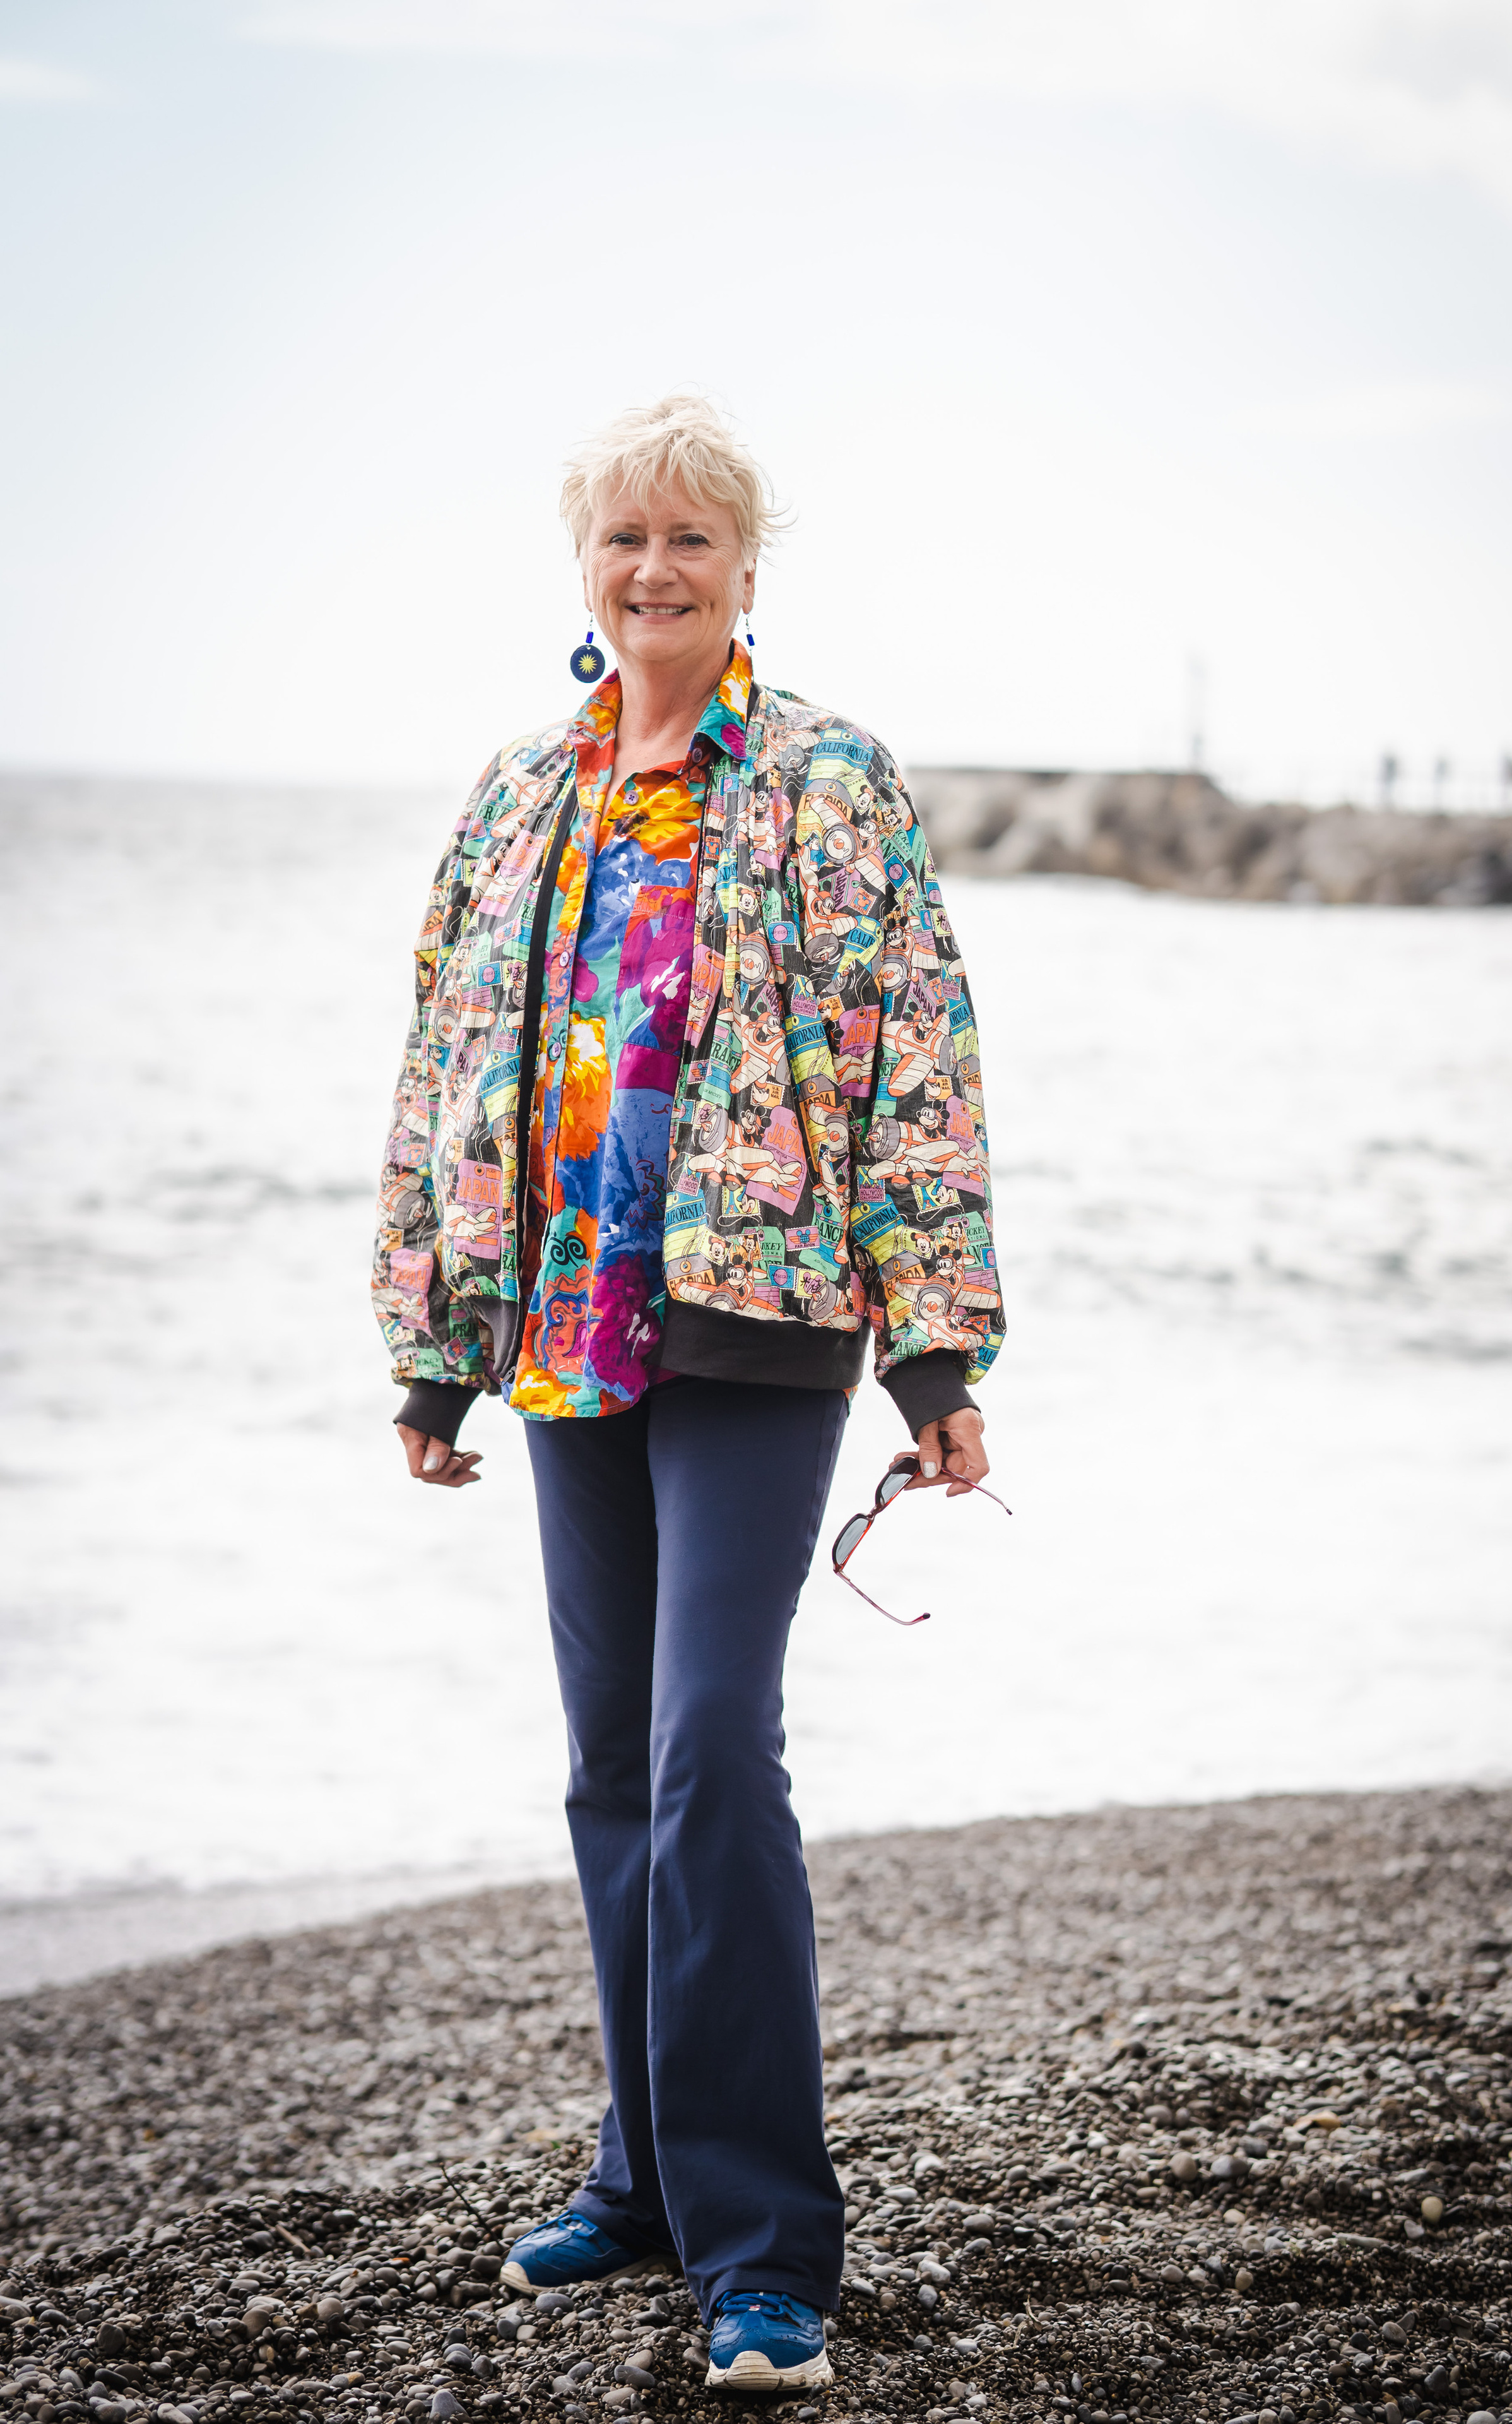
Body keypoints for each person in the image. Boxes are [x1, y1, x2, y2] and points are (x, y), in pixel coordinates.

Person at [371, 396, 1005, 2392]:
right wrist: (432, 1349)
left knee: (712, 1746)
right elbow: (446, 1081)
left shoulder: (827, 780)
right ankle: (645, 2173)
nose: (656, 573)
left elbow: (917, 1054)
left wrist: (938, 1351)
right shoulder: (516, 798)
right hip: (564, 1328)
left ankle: (763, 2248)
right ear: (586, 565)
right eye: (626, 539)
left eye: (694, 545)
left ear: (748, 571)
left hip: (762, 1311)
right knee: (609, 1767)